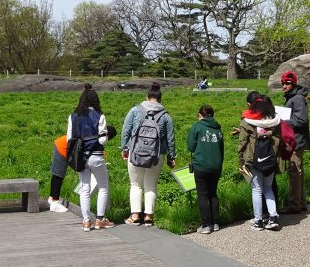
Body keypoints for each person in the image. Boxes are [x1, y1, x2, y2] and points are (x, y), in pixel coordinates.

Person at [121, 83, 176, 226]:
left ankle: (135, 216)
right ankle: (148, 217)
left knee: (135, 185)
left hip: (135, 153)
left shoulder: (135, 110)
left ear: (147, 97)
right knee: (151, 185)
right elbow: (170, 138)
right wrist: (171, 157)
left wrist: (124, 148)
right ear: (160, 99)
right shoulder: (165, 116)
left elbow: (126, 131)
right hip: (157, 155)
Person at [67, 84, 113, 231]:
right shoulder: (100, 116)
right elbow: (102, 140)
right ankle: (100, 219)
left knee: (84, 188)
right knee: (103, 186)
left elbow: (70, 138)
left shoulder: (73, 116)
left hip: (80, 157)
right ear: (95, 100)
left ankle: (86, 221)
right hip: (96, 156)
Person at [47, 125, 117, 213]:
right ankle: (54, 202)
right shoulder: (95, 138)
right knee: (59, 175)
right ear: (108, 135)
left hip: (64, 144)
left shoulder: (94, 134)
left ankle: (51, 198)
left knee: (58, 175)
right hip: (62, 147)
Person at [238, 93, 281, 231]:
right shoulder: (274, 120)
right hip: (271, 159)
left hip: (253, 159)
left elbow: (242, 142)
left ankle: (258, 221)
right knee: (268, 188)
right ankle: (273, 217)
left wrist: (240, 160)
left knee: (256, 190)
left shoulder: (247, 121)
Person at [187, 104, 224, 234]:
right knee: (213, 193)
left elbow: (191, 147)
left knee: (202, 195)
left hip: (201, 166)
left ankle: (205, 225)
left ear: (200, 115)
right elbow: (221, 148)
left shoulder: (197, 127)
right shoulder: (218, 128)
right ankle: (216, 223)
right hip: (216, 166)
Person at [280, 70, 310, 213]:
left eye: (287, 83)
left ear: (293, 83)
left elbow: (302, 120)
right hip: (295, 139)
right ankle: (301, 203)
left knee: (294, 171)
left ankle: (294, 205)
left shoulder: (297, 98)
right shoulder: (292, 97)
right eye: (283, 83)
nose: (284, 86)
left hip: (296, 140)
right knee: (298, 172)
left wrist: (283, 121)